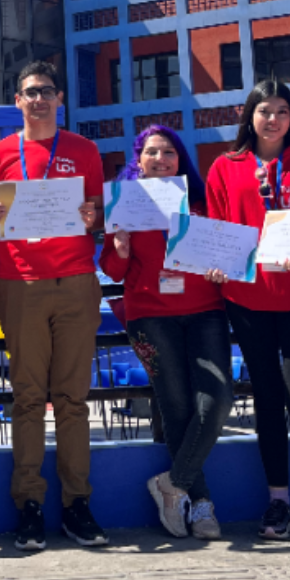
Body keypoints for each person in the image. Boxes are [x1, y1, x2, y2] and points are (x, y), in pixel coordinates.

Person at [0, 61, 106, 551]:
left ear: (59, 100)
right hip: (20, 283)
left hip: (75, 280)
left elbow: (95, 214)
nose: (38, 99)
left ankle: (78, 505)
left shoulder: (84, 150)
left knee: (73, 401)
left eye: (46, 91)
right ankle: (29, 505)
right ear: (18, 101)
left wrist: (92, 215)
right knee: (28, 399)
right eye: (30, 92)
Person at [206, 80, 290, 541]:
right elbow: (219, 230)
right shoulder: (225, 167)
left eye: (283, 111)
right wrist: (217, 264)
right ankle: (278, 499)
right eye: (265, 111)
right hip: (248, 301)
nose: (274, 119)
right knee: (266, 400)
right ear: (250, 116)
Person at [100, 126, 232, 540]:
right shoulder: (124, 205)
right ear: (138, 160)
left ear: (180, 159)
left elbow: (224, 251)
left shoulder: (201, 200)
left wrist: (219, 267)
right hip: (148, 317)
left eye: (169, 153)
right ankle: (201, 502)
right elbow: (113, 272)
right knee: (175, 408)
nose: (160, 159)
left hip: (206, 311)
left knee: (218, 399)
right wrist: (119, 248)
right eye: (151, 153)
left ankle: (171, 483)